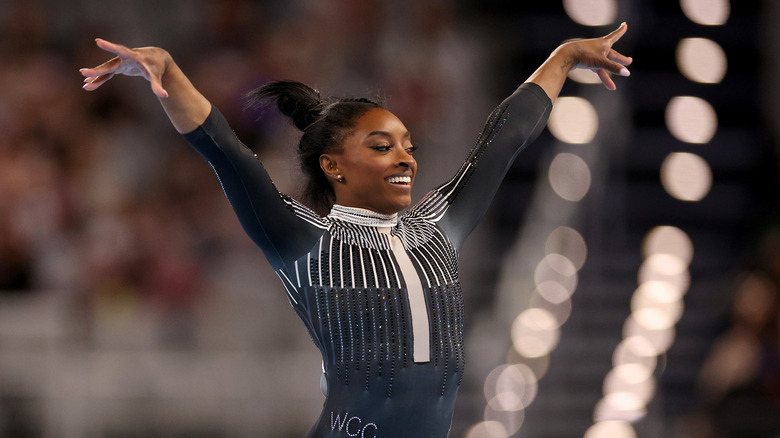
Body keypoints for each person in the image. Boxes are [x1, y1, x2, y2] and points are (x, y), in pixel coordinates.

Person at [80, 23, 631, 438]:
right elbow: (227, 152)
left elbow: (504, 139)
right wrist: (168, 73)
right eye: (382, 146)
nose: (407, 159)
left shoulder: (439, 224)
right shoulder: (305, 241)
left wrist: (563, 58)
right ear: (333, 166)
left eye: (409, 146)